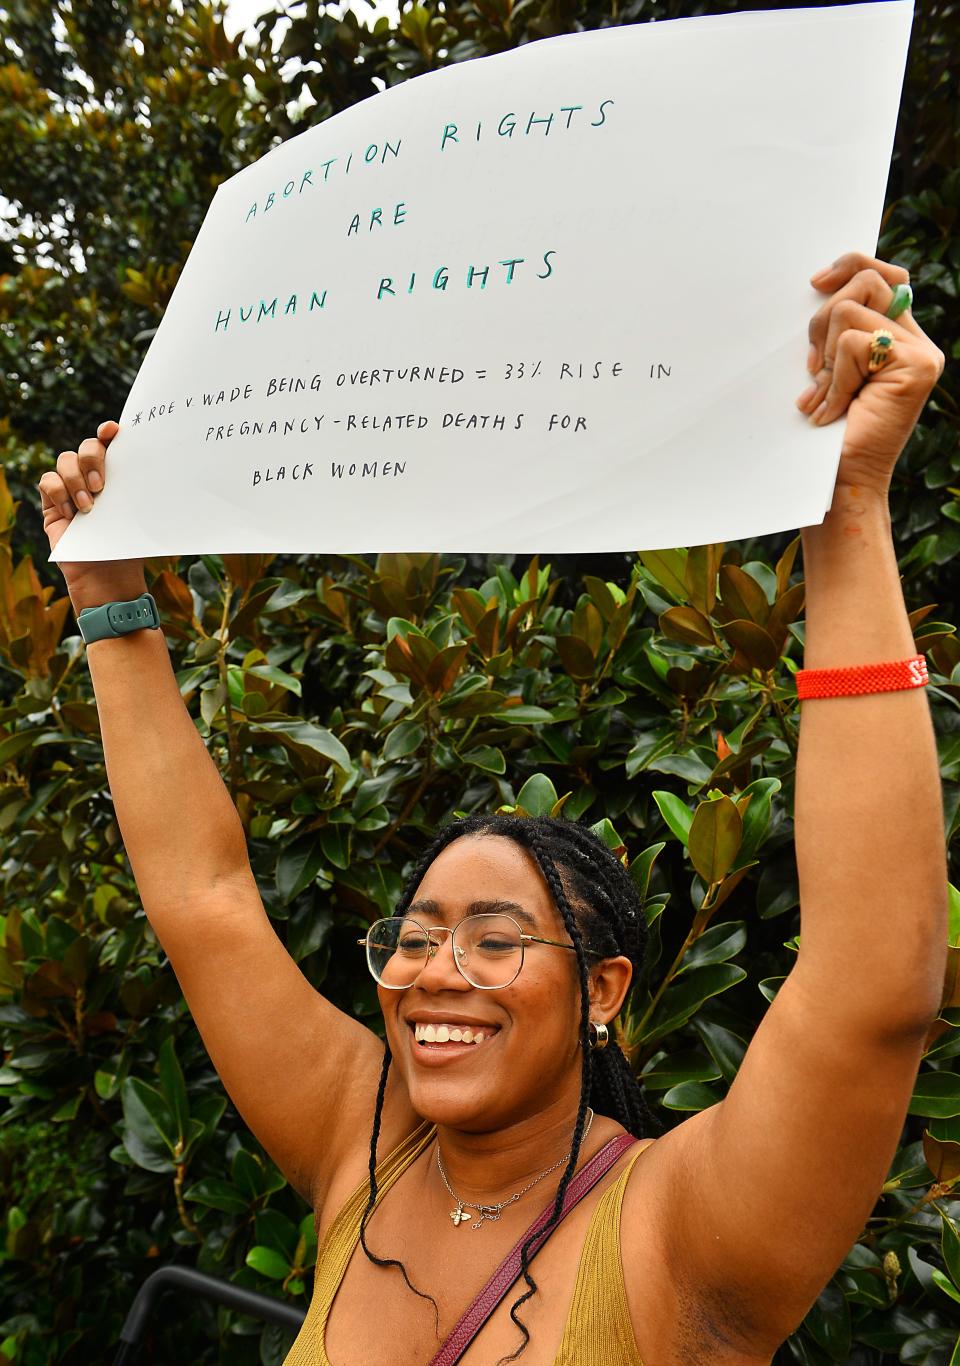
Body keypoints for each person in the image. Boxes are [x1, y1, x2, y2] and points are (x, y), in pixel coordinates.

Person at [39, 251, 947, 1364]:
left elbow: (872, 989)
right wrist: (108, 602)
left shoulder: (686, 1226)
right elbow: (206, 899)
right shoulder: (360, 1143)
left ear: (604, 987)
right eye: (413, 938)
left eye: (493, 939)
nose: (433, 972)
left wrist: (847, 508)